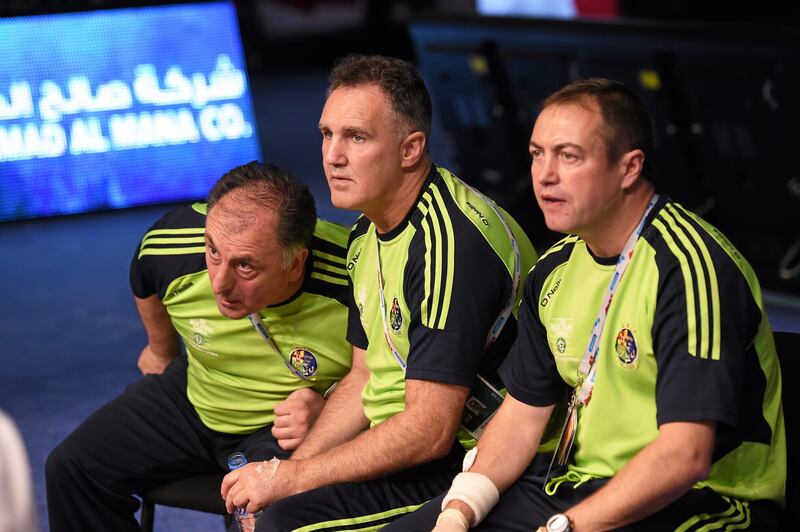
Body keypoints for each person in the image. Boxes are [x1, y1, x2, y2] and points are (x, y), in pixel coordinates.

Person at [387, 78, 786, 532]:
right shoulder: (554, 269)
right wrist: (460, 511)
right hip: (578, 483)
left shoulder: (689, 267)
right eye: (538, 154)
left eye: (569, 156)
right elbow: (519, 420)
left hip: (703, 499)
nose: (545, 175)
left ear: (629, 167)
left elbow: (686, 455)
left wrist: (566, 528)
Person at [219, 54, 539, 530]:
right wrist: (285, 473)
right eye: (327, 134)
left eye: (357, 137)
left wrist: (295, 480)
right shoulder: (365, 235)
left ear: (411, 149)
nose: (332, 155)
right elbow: (363, 376)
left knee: (282, 523)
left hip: (471, 459)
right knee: (257, 494)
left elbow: (430, 432)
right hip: (402, 441)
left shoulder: (450, 247)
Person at [45, 161, 353, 532]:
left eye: (246, 267)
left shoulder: (354, 277)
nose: (219, 283)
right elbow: (144, 277)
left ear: (295, 263)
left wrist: (330, 405)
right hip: (195, 396)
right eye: (213, 251)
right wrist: (161, 349)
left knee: (265, 518)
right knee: (73, 468)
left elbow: (394, 376)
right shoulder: (173, 243)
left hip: (284, 427)